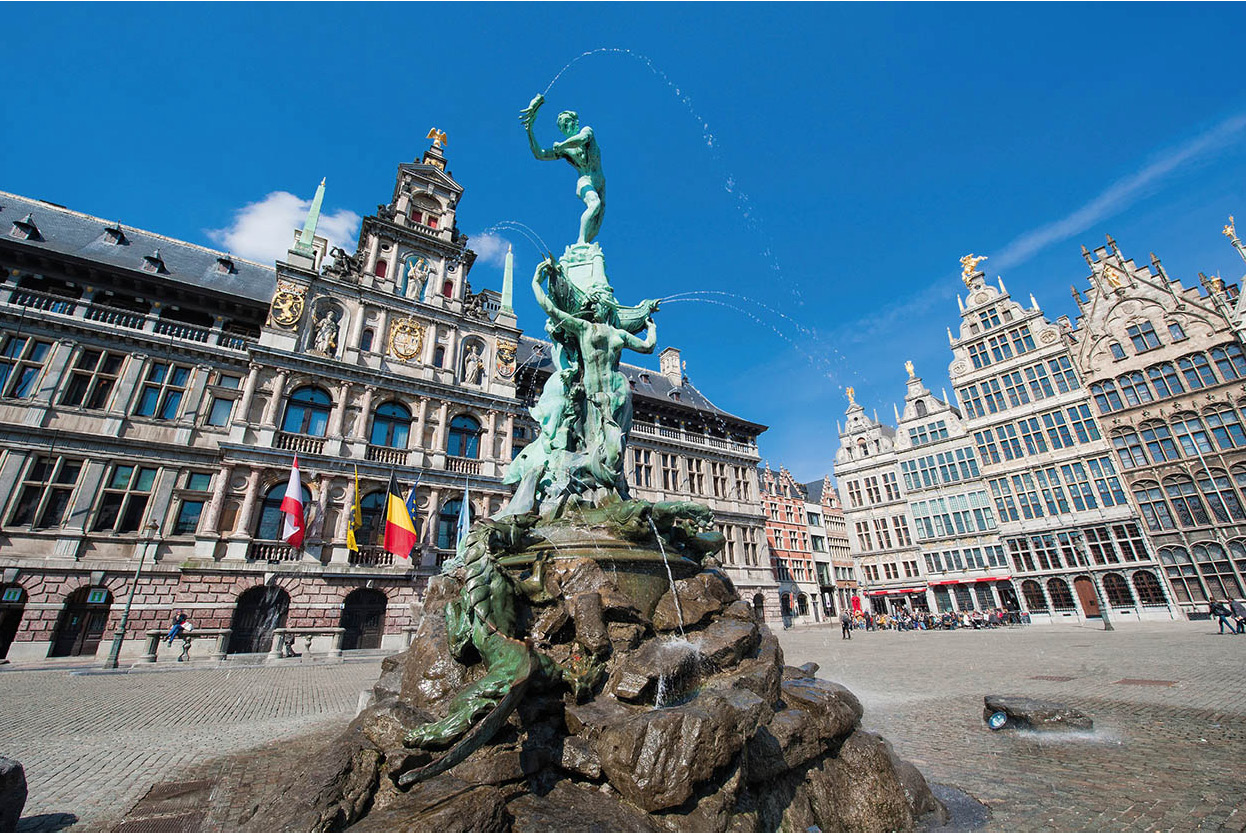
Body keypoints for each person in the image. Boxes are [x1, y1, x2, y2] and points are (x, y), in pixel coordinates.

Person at [521, 94, 606, 245]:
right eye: (562, 126)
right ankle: (580, 243)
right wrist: (530, 131)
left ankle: (585, 245)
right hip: (585, 181)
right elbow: (539, 154)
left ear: (576, 122)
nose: (566, 127)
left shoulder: (586, 131)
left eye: (567, 122)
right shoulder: (565, 150)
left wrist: (561, 145)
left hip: (600, 183)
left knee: (595, 228)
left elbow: (581, 139)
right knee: (594, 204)